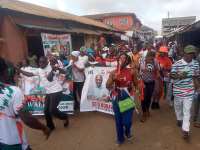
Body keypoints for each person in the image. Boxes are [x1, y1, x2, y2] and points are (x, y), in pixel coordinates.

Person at [0, 57, 50, 150]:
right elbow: (27, 118)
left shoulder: (36, 69)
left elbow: (31, 74)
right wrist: (44, 128)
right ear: (6, 71)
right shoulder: (13, 91)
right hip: (12, 143)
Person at [19, 56, 69, 131]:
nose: (40, 64)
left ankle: (64, 117)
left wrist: (55, 69)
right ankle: (50, 126)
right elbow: (29, 74)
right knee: (46, 110)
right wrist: (19, 70)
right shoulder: (39, 70)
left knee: (52, 110)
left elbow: (53, 77)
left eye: (42, 62)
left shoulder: (51, 67)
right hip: (48, 92)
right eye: (39, 62)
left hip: (56, 90)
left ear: (47, 62)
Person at [106, 53, 138, 145]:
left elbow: (136, 84)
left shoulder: (132, 71)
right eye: (120, 58)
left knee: (127, 121)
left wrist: (136, 88)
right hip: (116, 97)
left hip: (128, 97)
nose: (122, 60)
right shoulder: (113, 72)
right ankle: (120, 138)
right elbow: (107, 86)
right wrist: (113, 79)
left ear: (127, 61)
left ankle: (127, 132)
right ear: (118, 60)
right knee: (118, 120)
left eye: (124, 58)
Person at [170, 45, 200, 140]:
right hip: (178, 91)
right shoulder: (177, 64)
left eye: (192, 54)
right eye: (189, 53)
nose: (190, 56)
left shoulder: (195, 64)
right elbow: (171, 76)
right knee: (178, 107)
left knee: (187, 111)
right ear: (184, 53)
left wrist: (197, 86)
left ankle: (185, 130)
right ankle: (179, 118)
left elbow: (196, 76)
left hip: (189, 91)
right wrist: (179, 75)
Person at [139, 51, 161, 122]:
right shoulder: (142, 61)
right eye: (149, 58)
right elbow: (140, 70)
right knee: (143, 98)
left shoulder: (155, 61)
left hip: (151, 82)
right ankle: (144, 113)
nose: (151, 59)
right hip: (143, 82)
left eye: (152, 58)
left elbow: (157, 70)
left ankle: (147, 109)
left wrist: (157, 74)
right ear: (147, 56)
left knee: (149, 97)